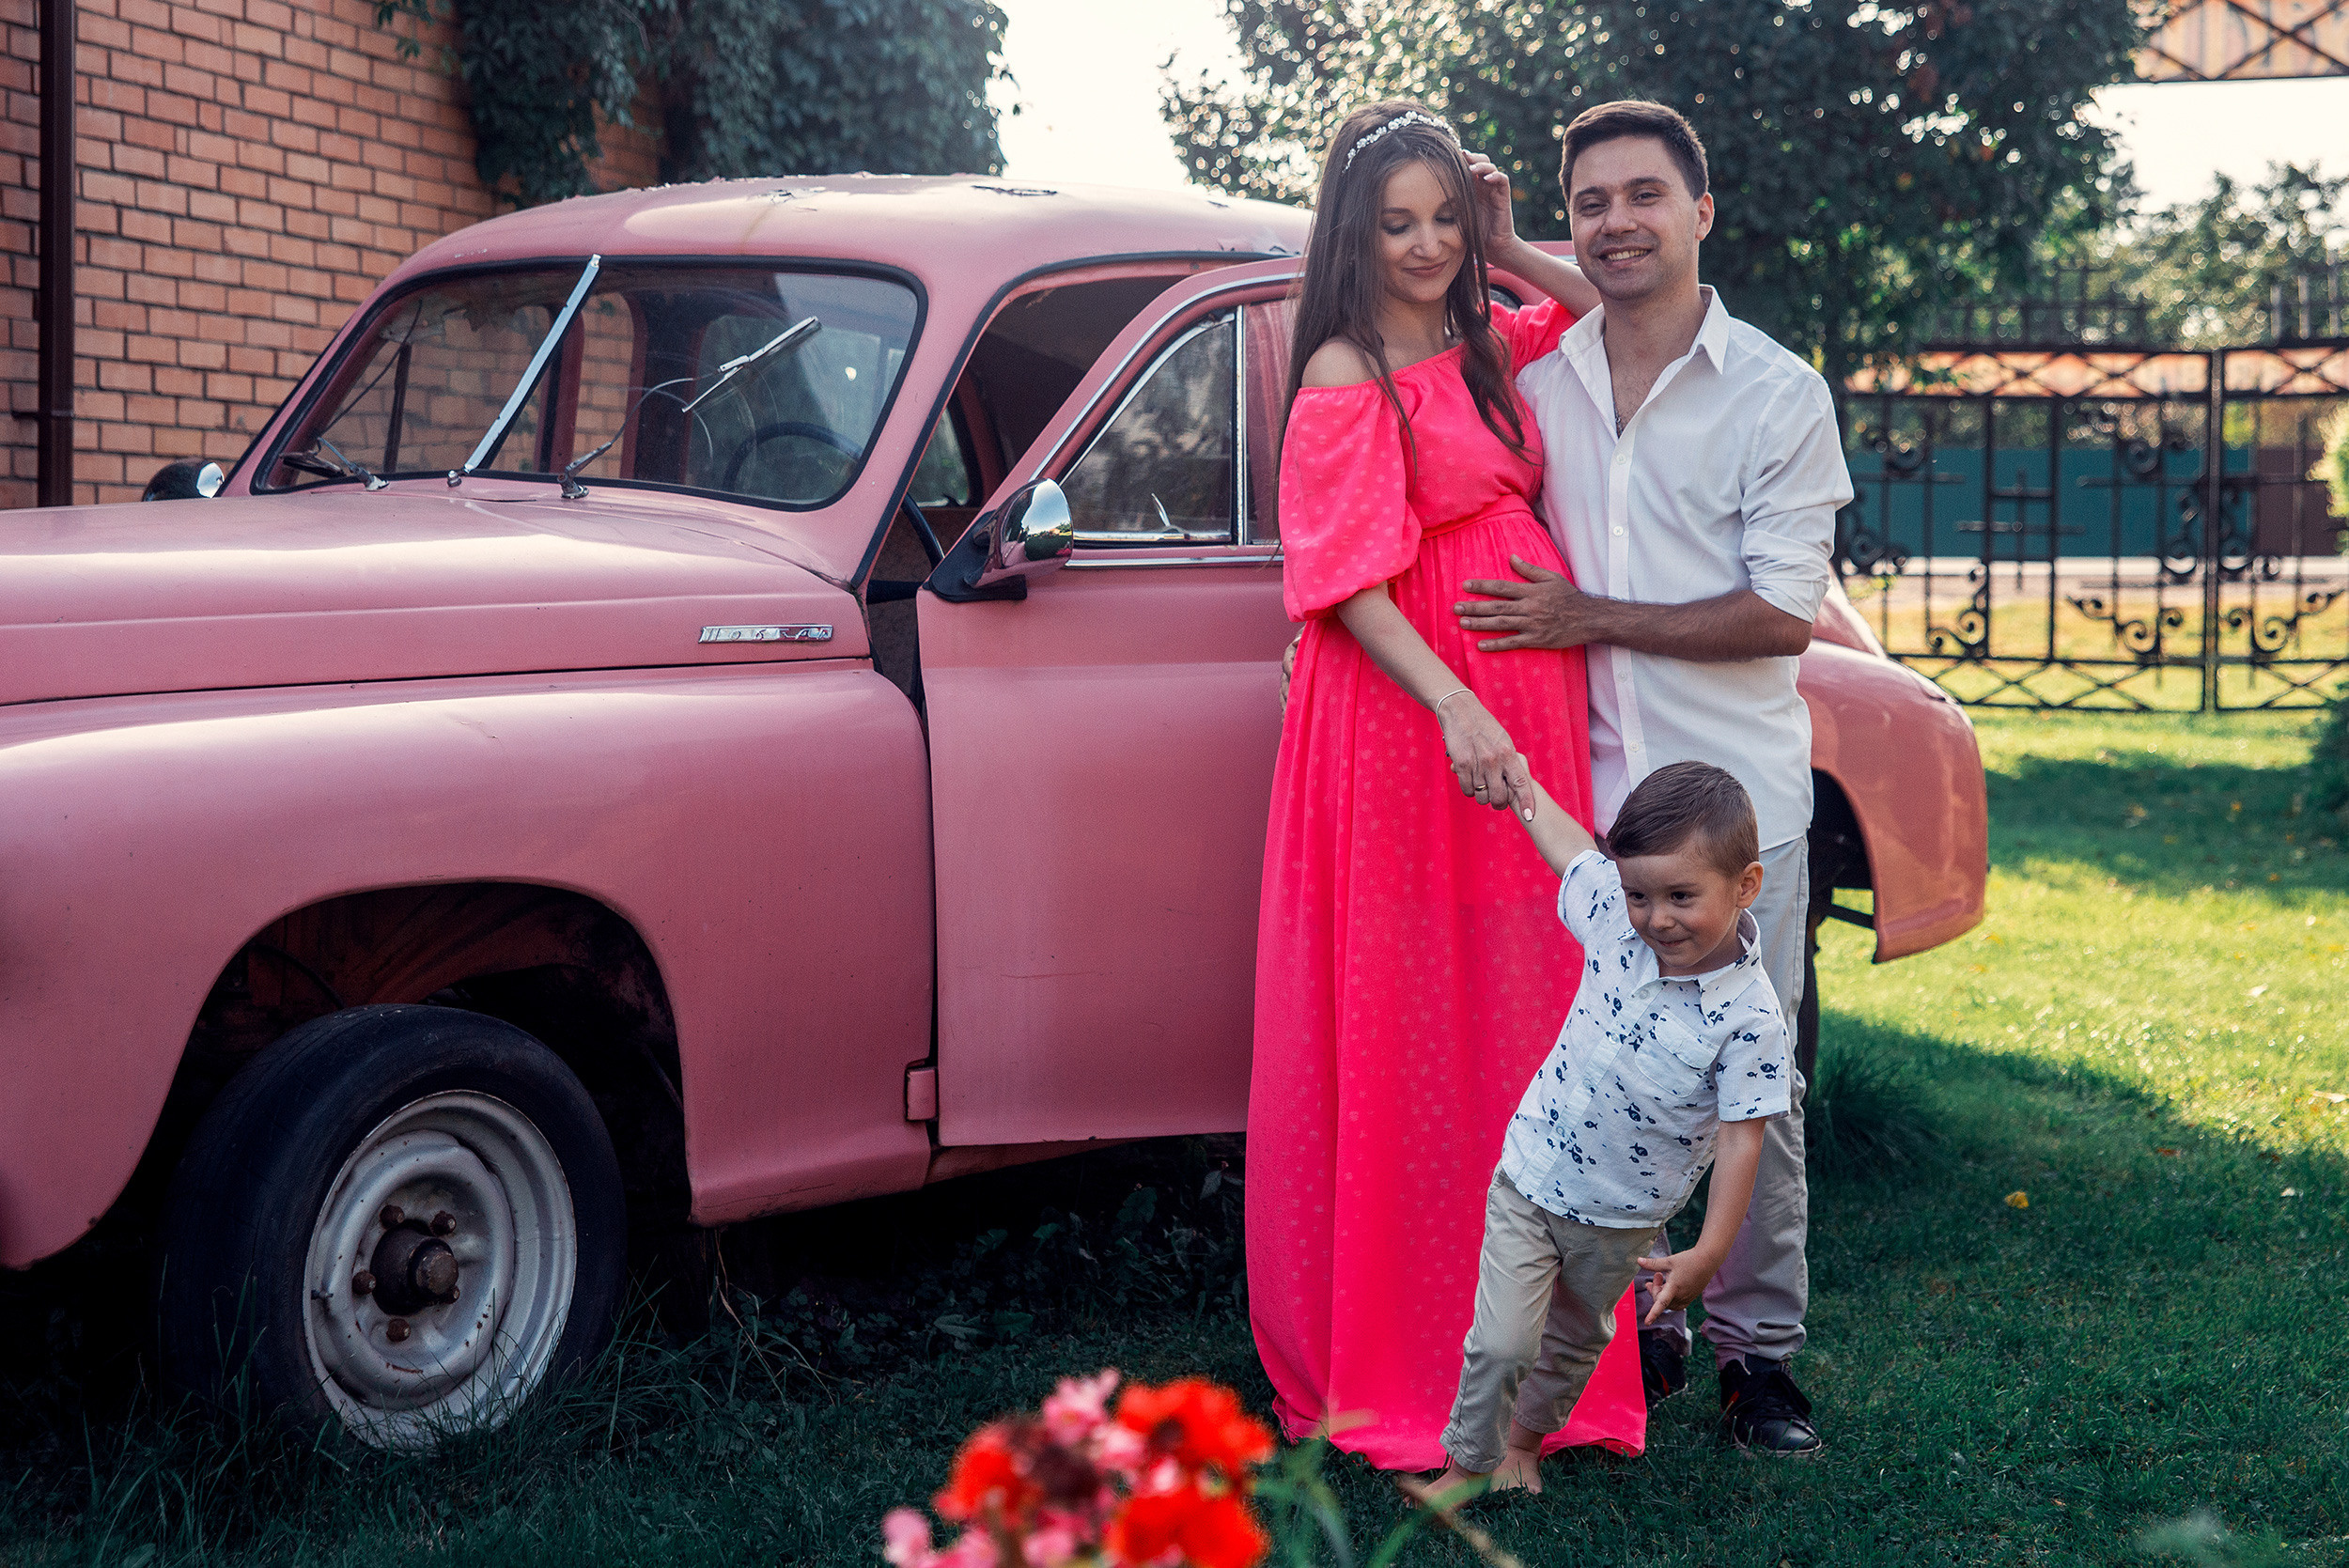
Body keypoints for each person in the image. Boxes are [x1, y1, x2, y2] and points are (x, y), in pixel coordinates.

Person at [1451, 100, 1855, 1455]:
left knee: (1753, 1091)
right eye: (1592, 201)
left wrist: (1592, 614)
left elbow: (1783, 611)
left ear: (1703, 211)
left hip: (1742, 811)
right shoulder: (1548, 378)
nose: (1618, 221)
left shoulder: (1777, 393)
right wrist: (1508, 249)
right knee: (1611, 1072)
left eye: (1645, 195)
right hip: (1590, 812)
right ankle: (1646, 1327)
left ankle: (1761, 1357)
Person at [1246, 100, 1634, 1471]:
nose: (1425, 246)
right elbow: (1345, 582)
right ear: (1354, 233)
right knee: (1411, 1013)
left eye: (1442, 218)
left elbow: (1629, 310)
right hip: (1414, 722)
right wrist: (1462, 702)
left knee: (1526, 1013)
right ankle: (1408, 1352)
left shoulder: (1486, 341)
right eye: (1397, 222)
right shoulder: (1346, 368)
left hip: (1517, 700)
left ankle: (1534, 1352)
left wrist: (1518, 240)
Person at [1417, 760, 1789, 1496]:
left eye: (1682, 896)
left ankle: (1525, 1443)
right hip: (1530, 1176)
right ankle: (1465, 1465)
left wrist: (1707, 1254)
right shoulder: (1617, 923)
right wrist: (1520, 782)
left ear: (1745, 885)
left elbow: (1745, 1139)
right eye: (1639, 894)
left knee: (1571, 1343)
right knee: (1501, 1342)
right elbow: (1567, 847)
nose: (1656, 917)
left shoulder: (1751, 1020)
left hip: (1620, 1221)